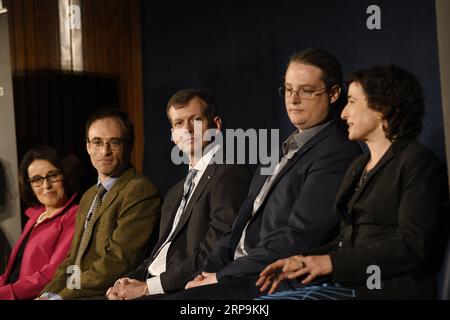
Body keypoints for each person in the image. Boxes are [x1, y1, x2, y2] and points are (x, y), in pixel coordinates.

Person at [162, 48, 362, 300]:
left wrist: (221, 276)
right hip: (234, 275)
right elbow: (237, 227)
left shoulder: (337, 153)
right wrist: (208, 271)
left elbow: (297, 237)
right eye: (288, 90)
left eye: (306, 90)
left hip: (268, 281)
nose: (293, 99)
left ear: (333, 94)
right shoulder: (279, 150)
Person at [256, 64, 449, 300]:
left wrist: (330, 263)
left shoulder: (417, 163)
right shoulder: (358, 166)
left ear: (382, 108)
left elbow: (411, 245)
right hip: (349, 286)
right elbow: (345, 240)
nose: (344, 113)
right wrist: (302, 260)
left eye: (352, 102)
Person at [105, 89, 252, 300]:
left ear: (216, 125)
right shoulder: (175, 192)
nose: (188, 130)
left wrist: (148, 287)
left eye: (196, 120)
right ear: (173, 135)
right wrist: (128, 280)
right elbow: (162, 252)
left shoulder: (229, 174)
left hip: (186, 289)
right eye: (179, 123)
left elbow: (215, 251)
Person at [39, 109, 162, 299]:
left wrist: (62, 296)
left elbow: (118, 262)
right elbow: (73, 259)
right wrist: (48, 293)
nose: (105, 151)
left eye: (115, 142)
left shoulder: (140, 191)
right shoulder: (89, 196)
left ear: (129, 146)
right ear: (88, 147)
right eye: (97, 142)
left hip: (108, 293)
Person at [0, 146, 81, 299]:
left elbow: (53, 274)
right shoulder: (35, 216)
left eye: (53, 175)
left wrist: (5, 293)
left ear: (66, 175)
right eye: (37, 179)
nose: (46, 186)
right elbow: (13, 271)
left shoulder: (75, 216)